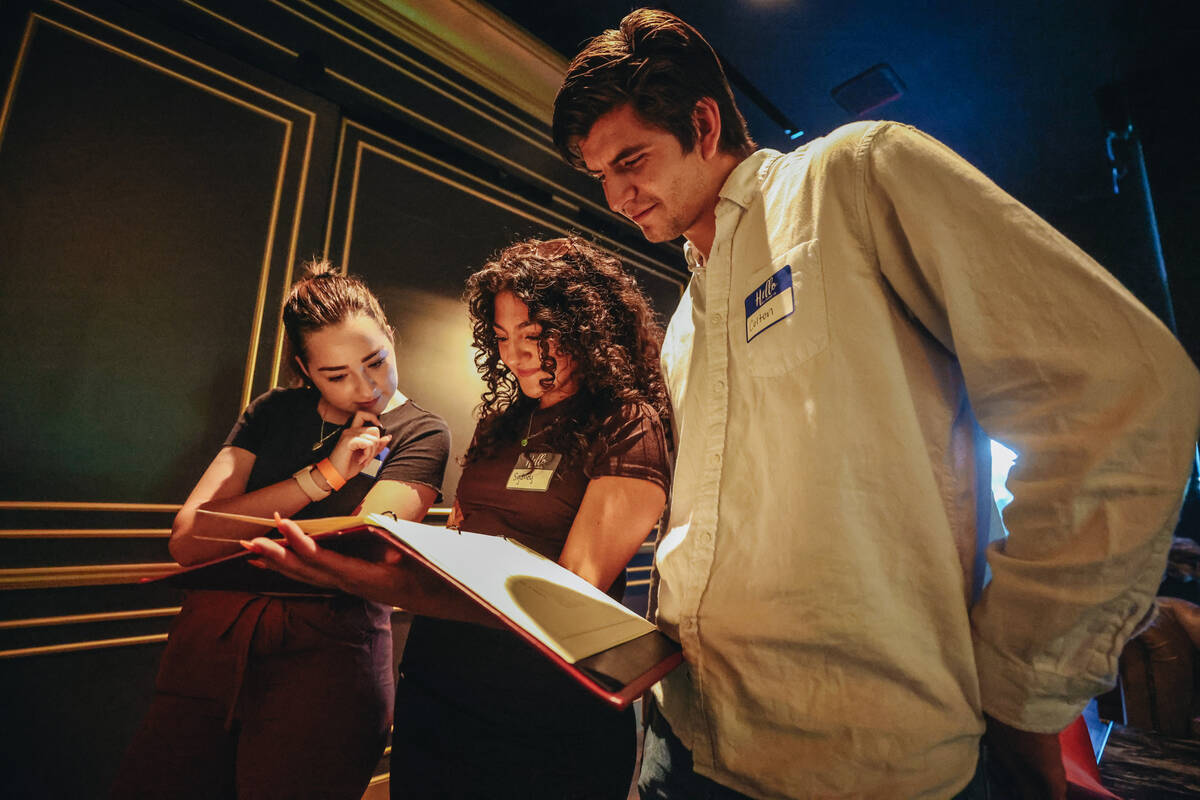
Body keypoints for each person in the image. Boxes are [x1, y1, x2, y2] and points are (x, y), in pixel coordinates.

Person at [551, 9, 1200, 800]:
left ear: (703, 120)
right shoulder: (685, 318)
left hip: (860, 760)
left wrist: (1028, 690)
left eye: (631, 161)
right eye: (602, 177)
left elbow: (1116, 393)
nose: (619, 196)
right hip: (681, 731)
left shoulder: (851, 178)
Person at [245, 236, 673, 799]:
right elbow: (457, 553)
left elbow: (568, 598)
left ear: (587, 327)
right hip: (440, 689)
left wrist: (346, 574)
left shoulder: (626, 423)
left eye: (534, 336)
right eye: (502, 338)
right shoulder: (501, 423)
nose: (515, 355)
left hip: (545, 711)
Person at [111, 262, 450, 800]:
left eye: (376, 361)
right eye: (336, 375)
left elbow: (365, 549)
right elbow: (189, 539)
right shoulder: (273, 410)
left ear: (390, 336)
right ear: (305, 369)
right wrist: (323, 478)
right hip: (211, 641)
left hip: (329, 651)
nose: (366, 389)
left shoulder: (421, 431)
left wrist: (253, 525)